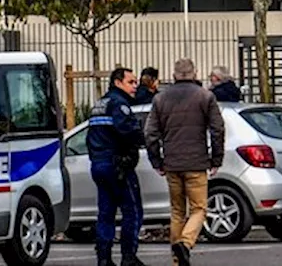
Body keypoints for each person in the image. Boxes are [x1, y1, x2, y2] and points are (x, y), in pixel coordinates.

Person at [144, 59, 225, 266]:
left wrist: (157, 161)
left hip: (171, 163)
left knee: (177, 212)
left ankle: (176, 259)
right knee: (199, 209)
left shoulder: (160, 99)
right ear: (195, 73)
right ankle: (186, 244)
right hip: (196, 163)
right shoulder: (206, 96)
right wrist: (216, 159)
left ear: (174, 74)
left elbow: (150, 133)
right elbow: (217, 129)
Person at [87, 68, 148, 266]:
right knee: (132, 211)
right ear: (118, 82)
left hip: (99, 164)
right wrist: (144, 139)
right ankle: (128, 257)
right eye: (131, 82)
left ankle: (103, 258)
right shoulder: (119, 105)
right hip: (117, 165)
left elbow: (91, 137)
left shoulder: (99, 104)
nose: (135, 86)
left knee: (106, 213)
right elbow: (128, 132)